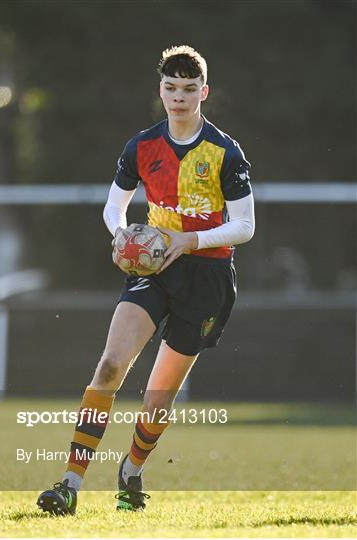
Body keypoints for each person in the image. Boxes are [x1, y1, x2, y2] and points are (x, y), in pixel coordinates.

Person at [37, 44, 255, 514]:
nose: (179, 97)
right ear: (161, 90)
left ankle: (131, 470)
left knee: (158, 397)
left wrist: (189, 241)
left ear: (204, 92)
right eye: (171, 88)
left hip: (208, 276)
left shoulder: (225, 152)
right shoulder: (141, 146)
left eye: (189, 89)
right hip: (154, 269)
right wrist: (122, 236)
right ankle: (69, 483)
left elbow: (245, 226)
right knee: (110, 366)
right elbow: (114, 206)